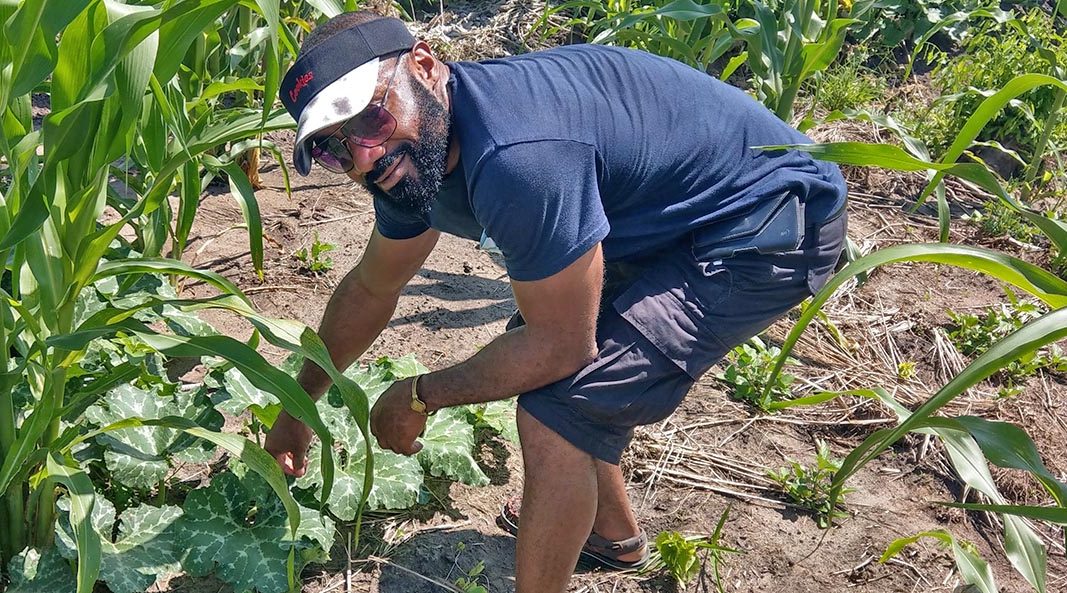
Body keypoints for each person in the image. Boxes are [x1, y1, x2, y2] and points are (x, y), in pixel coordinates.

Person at [264, 11, 847, 592]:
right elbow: (372, 287)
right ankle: (611, 536)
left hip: (766, 221)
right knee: (541, 349)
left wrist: (420, 395)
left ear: (424, 66)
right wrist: (298, 407)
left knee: (560, 406)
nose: (364, 156)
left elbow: (564, 347)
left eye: (369, 116)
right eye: (334, 149)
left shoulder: (518, 157)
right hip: (672, 220)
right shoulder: (409, 159)